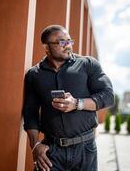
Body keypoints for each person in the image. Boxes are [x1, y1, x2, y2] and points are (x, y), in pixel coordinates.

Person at [23, 25, 114, 171]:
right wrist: (35, 145)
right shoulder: (34, 75)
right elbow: (30, 113)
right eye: (61, 42)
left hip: (85, 150)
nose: (67, 46)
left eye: (69, 41)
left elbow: (108, 96)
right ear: (46, 47)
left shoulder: (88, 64)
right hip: (51, 152)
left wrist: (77, 103)